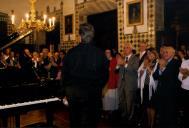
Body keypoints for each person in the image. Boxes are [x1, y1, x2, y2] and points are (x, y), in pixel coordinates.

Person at [62, 23, 109, 128]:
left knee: (75, 123)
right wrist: (97, 88)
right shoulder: (100, 53)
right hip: (93, 96)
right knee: (91, 123)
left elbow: (64, 76)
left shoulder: (70, 53)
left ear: (80, 36)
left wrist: (66, 92)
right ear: (92, 35)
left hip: (74, 96)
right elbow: (105, 76)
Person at [153, 46, 181, 128]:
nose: (165, 53)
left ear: (173, 53)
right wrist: (160, 69)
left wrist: (163, 68)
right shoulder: (162, 62)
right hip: (161, 93)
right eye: (164, 52)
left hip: (171, 94)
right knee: (162, 114)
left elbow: (171, 77)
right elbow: (155, 76)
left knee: (171, 115)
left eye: (167, 52)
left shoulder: (176, 63)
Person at [117, 43, 139, 123]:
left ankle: (129, 119)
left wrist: (124, 64)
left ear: (131, 49)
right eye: (124, 48)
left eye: (126, 48)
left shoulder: (135, 58)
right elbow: (117, 71)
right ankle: (124, 116)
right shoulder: (123, 57)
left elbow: (134, 70)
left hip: (130, 84)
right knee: (121, 101)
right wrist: (118, 65)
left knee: (129, 102)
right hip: (121, 83)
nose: (124, 49)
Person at [102, 49, 119, 120]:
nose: (107, 53)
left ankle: (112, 114)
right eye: (105, 52)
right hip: (104, 84)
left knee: (112, 100)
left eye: (108, 52)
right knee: (105, 100)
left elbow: (117, 72)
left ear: (111, 53)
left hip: (112, 83)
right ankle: (106, 113)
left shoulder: (115, 60)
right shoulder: (103, 61)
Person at [178, 58, 189, 128]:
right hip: (185, 89)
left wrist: (187, 72)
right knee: (186, 111)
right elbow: (179, 76)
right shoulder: (185, 62)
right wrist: (183, 76)